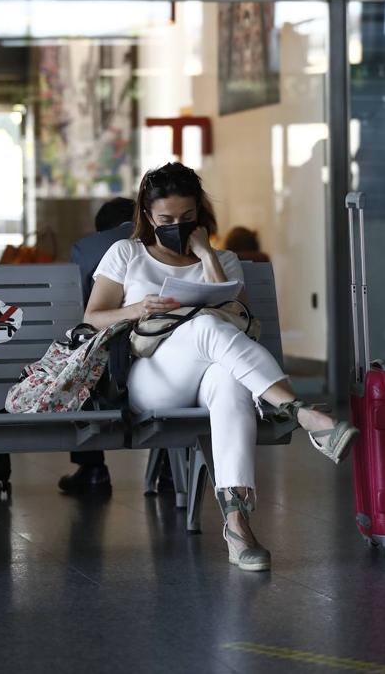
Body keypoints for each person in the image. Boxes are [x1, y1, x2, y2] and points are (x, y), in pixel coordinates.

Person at [84, 162, 360, 572]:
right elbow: (92, 317)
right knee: (206, 326)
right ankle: (300, 412)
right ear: (147, 215)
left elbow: (239, 317)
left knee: (230, 380)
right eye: (166, 220)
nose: (177, 226)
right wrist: (137, 308)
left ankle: (237, 525)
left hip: (209, 373)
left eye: (187, 217)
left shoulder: (224, 260)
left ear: (200, 213)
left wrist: (205, 254)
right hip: (151, 377)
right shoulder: (127, 253)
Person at [57, 197, 134, 496]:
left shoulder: (87, 248)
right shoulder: (166, 240)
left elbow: (78, 309)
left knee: (77, 358)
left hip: (110, 362)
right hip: (167, 353)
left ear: (102, 230)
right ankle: (169, 471)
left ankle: (92, 469)